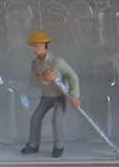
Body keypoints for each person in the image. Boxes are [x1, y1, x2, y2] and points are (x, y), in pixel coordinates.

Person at [21, 30, 81, 158]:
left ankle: (58, 147)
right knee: (35, 118)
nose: (34, 49)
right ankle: (33, 145)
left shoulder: (57, 62)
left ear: (45, 45)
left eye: (36, 46)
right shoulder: (35, 64)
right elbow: (33, 82)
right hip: (46, 97)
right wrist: (44, 77)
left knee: (57, 121)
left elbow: (73, 76)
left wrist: (75, 96)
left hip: (59, 96)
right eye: (33, 46)